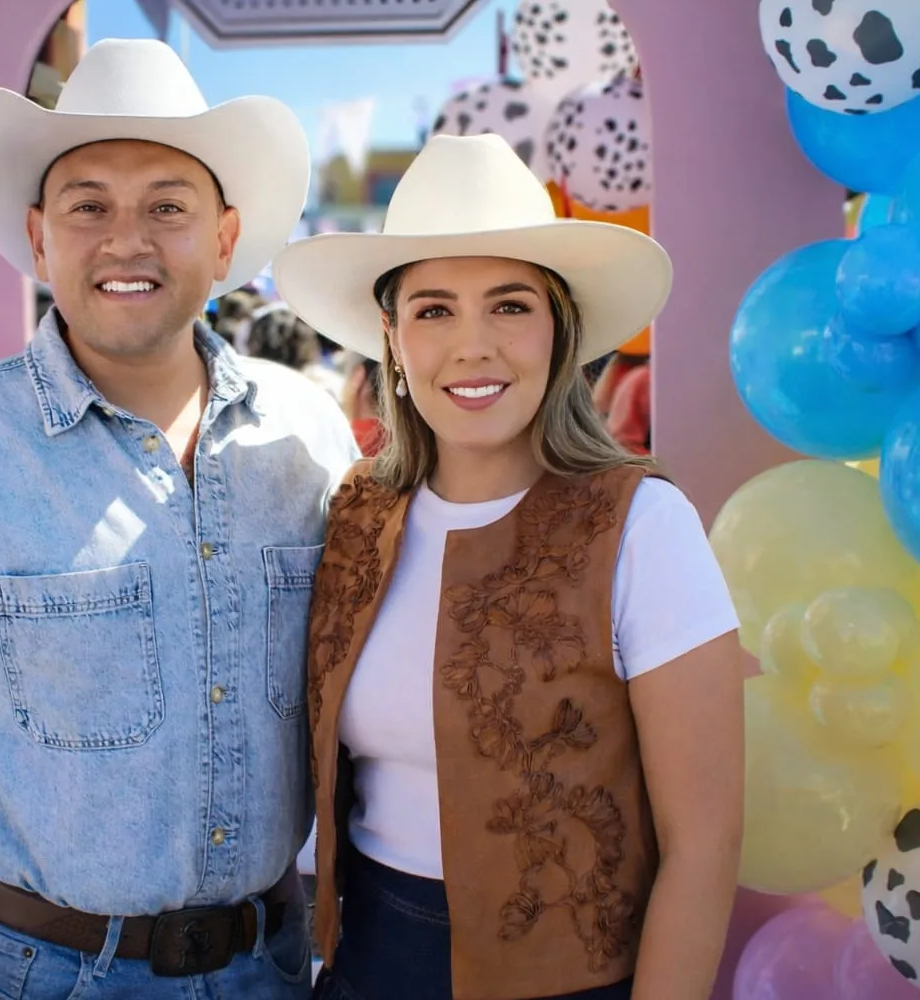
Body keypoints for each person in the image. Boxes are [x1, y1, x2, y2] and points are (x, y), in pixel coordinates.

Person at [0, 38, 359, 1000]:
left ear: (224, 239)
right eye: (89, 206)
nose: (126, 240)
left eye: (168, 208)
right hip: (28, 976)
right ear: (39, 238)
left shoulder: (306, 438)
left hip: (268, 968)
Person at [271, 133, 744, 1000]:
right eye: (435, 310)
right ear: (392, 339)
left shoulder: (641, 525)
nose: (474, 346)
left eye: (511, 305)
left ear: (559, 332)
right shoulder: (356, 516)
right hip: (365, 966)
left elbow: (703, 845)